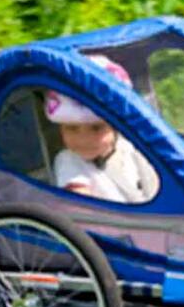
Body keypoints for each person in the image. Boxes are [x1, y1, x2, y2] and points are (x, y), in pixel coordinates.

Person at [44, 55, 158, 204]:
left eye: (96, 128)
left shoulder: (132, 149)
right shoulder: (69, 160)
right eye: (71, 128)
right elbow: (84, 205)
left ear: (116, 126)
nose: (83, 140)